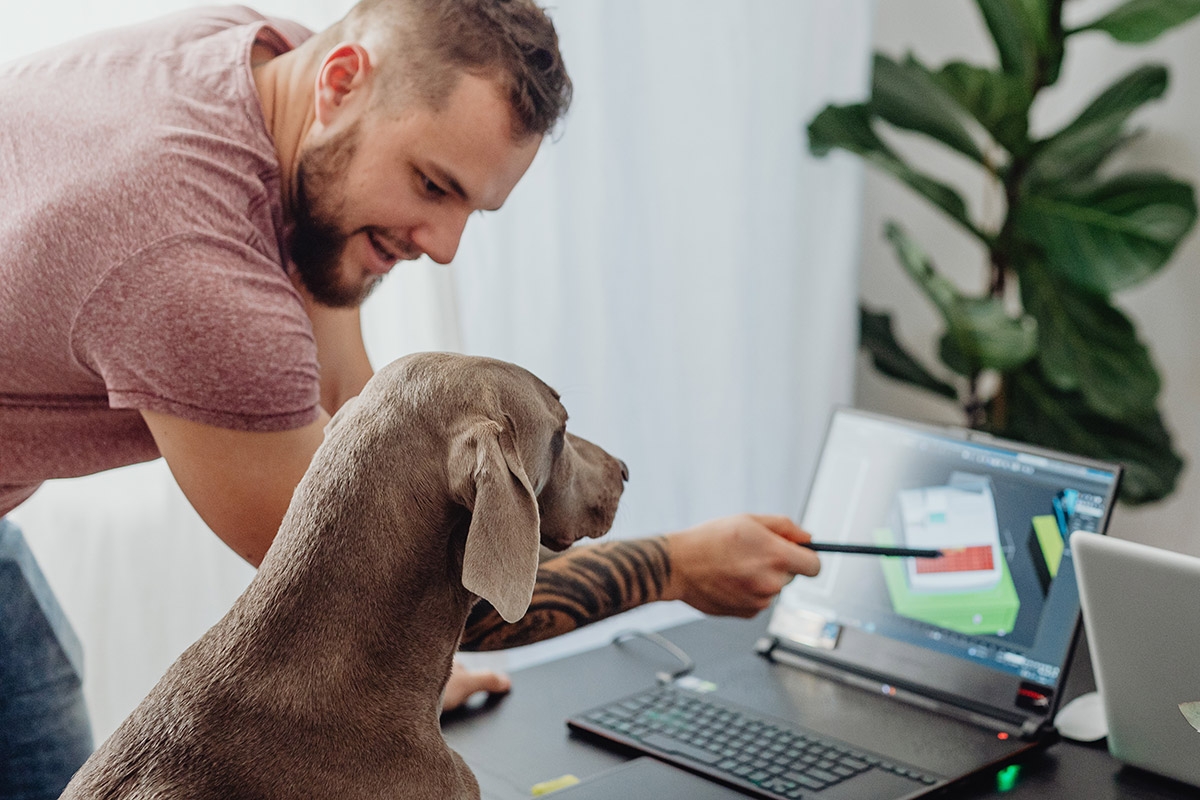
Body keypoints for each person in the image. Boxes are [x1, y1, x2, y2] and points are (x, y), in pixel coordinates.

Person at [0, 1, 822, 797]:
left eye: (471, 205)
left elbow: (364, 427)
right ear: (342, 81)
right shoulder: (193, 270)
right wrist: (678, 567)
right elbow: (371, 575)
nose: (445, 245)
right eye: (433, 185)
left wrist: (392, 691)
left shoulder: (261, 64)